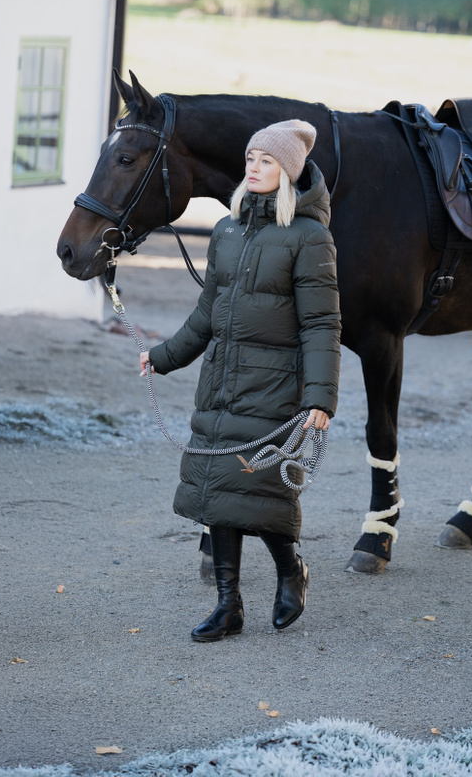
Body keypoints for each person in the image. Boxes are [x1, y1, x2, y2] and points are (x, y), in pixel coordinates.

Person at [140, 120, 341, 642]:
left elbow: (322, 324)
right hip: (221, 381)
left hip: (276, 386)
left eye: (266, 161)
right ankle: (229, 606)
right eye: (251, 159)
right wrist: (163, 356)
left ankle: (290, 570)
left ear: (288, 173)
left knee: (259, 488)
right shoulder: (228, 230)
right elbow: (208, 311)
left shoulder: (309, 237)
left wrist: (320, 397)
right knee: (217, 492)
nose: (254, 168)